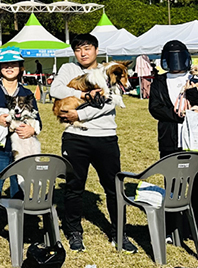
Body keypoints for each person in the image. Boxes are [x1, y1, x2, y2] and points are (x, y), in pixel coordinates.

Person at [49, 33, 137, 253]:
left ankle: (119, 233)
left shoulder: (111, 70)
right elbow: (55, 90)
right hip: (75, 137)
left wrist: (80, 115)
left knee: (114, 187)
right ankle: (74, 232)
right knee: (74, 187)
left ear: (96, 50)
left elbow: (111, 102)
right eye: (78, 49)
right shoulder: (69, 69)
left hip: (105, 136)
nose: (83, 53)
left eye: (87, 48)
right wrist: (85, 95)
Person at [148, 40, 198, 246]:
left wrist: (194, 94)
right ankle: (172, 228)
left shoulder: (197, 79)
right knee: (173, 186)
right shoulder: (159, 81)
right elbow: (155, 108)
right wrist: (177, 115)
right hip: (171, 140)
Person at [0, 47, 41, 253]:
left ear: (20, 68)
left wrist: (31, 129)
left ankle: (16, 231)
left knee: (18, 191)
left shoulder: (27, 93)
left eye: (13, 65)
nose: (9, 68)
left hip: (21, 150)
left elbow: (38, 121)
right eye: (5, 65)